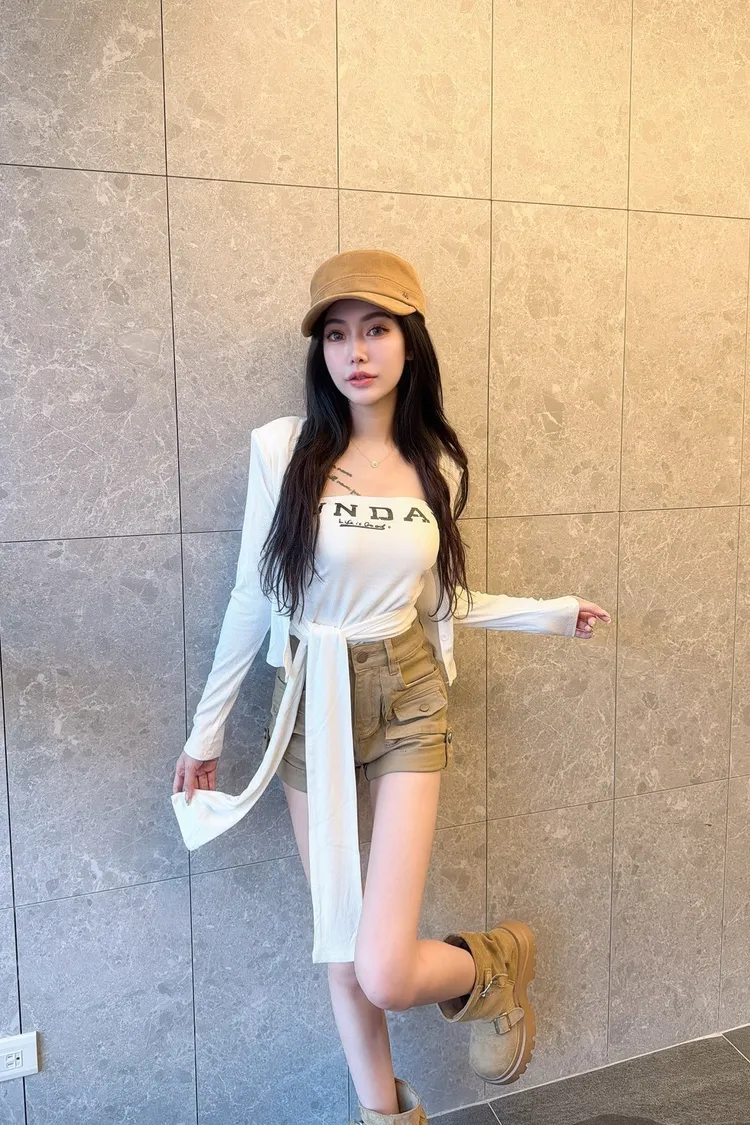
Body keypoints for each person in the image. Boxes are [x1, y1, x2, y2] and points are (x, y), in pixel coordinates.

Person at [171, 249, 611, 1125]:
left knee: (384, 967)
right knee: (343, 955)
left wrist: (551, 614)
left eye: (376, 329)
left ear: (410, 342)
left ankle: (489, 965)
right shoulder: (283, 449)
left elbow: (442, 600)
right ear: (321, 352)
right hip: (311, 700)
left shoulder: (428, 464)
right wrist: (206, 733)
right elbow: (253, 595)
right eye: (337, 334)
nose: (357, 351)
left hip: (407, 693)